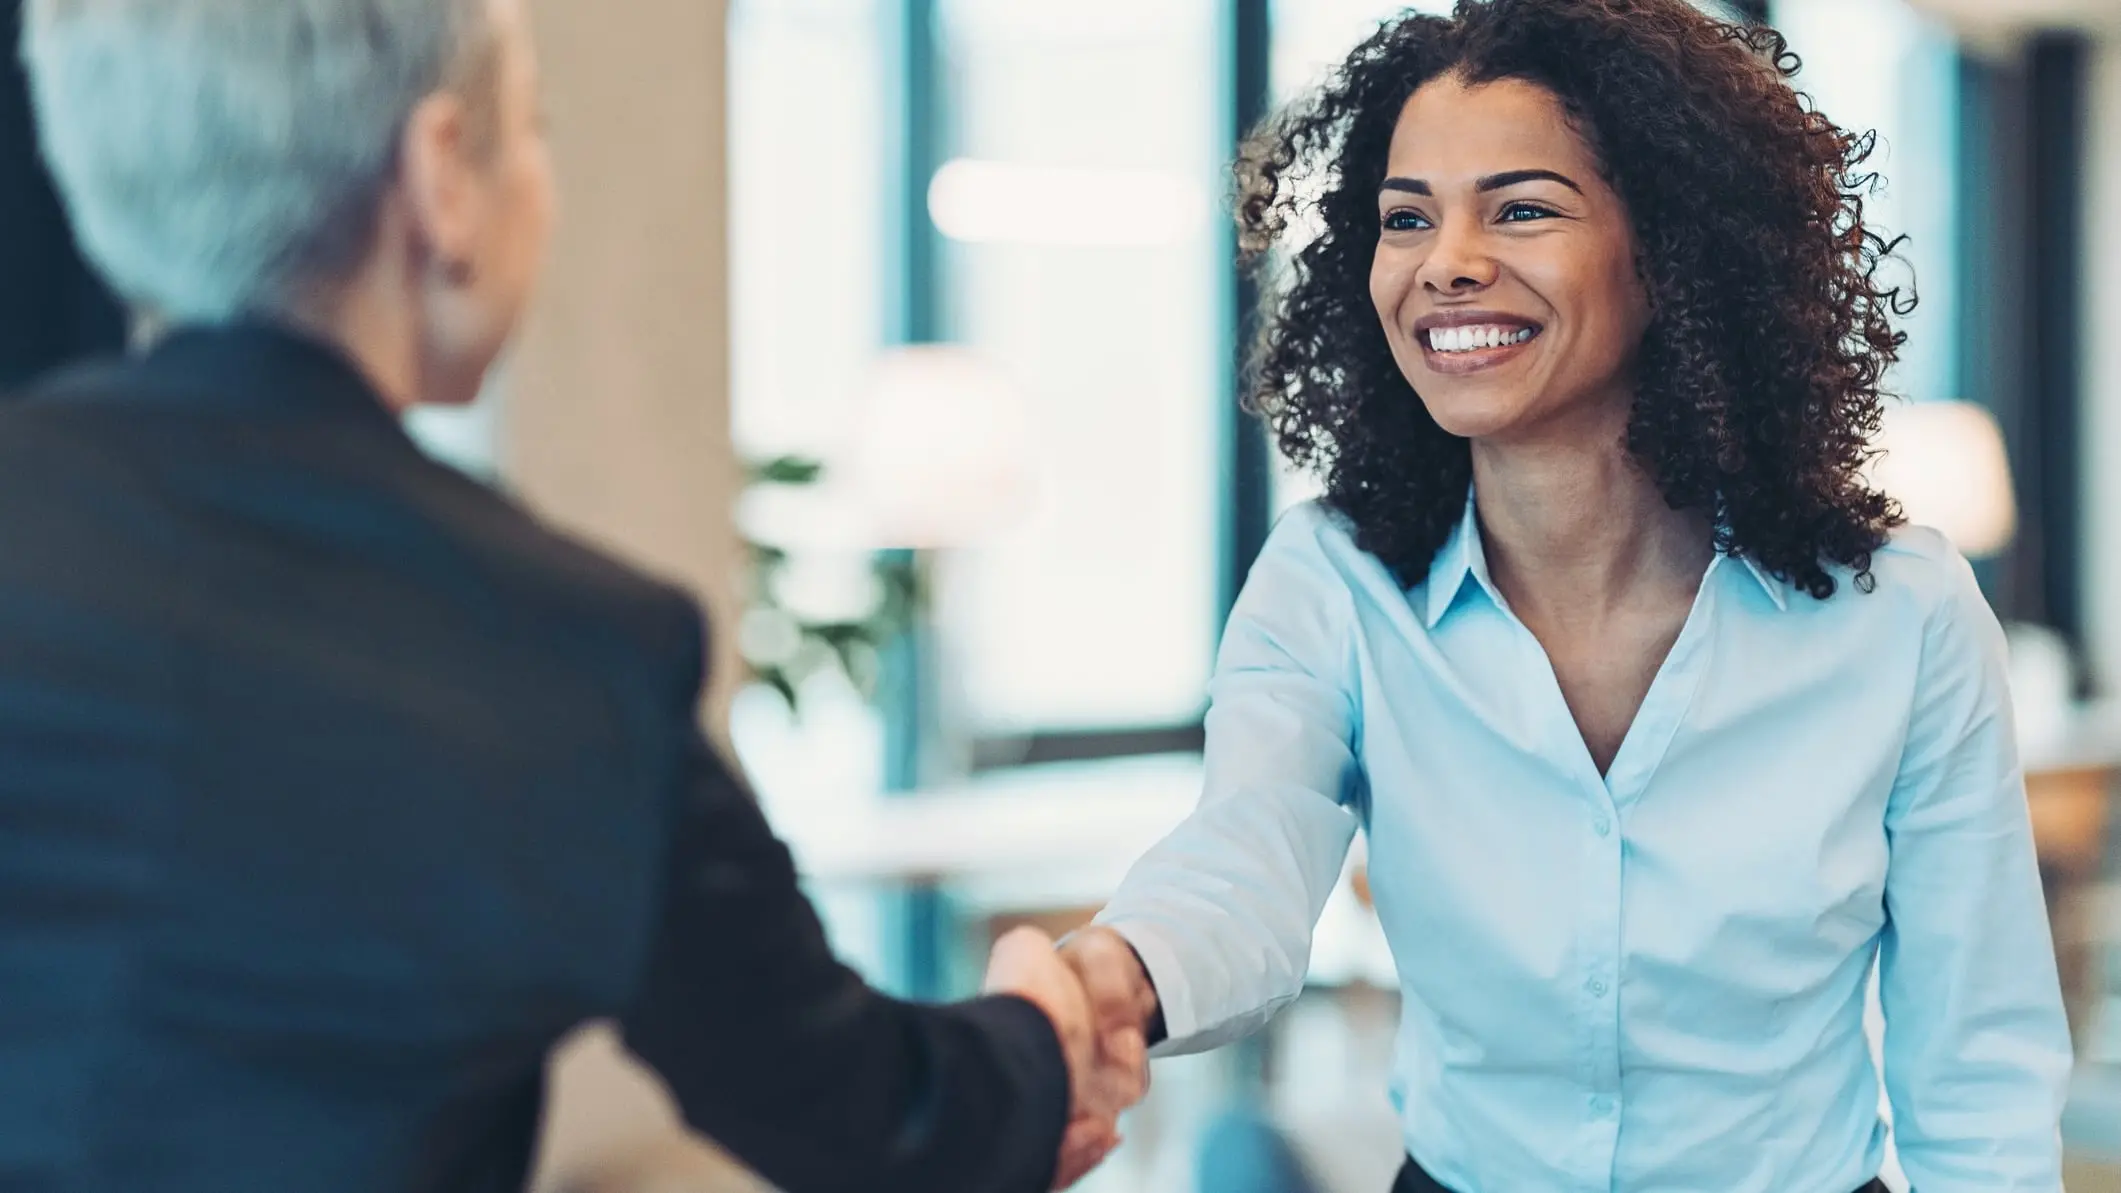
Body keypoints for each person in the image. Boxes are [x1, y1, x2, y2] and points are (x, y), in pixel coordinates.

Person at [0, 1, 1146, 1190]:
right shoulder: (561, 651)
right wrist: (1039, 1035)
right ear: (443, 175)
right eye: (533, 128)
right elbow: (872, 1117)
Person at [1044, 1, 2074, 1191]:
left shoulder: (1901, 615)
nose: (1449, 261)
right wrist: (1107, 977)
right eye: (1406, 218)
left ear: (1672, 252)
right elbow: (1249, 857)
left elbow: (1977, 1068)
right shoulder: (1333, 581)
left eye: (1523, 208)